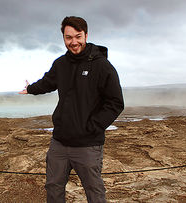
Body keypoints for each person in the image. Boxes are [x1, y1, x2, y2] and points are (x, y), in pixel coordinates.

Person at [19, 16, 124, 203]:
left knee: (94, 191)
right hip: (59, 142)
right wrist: (31, 89)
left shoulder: (102, 66)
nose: (74, 42)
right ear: (63, 38)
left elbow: (115, 103)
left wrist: (92, 126)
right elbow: (48, 82)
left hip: (88, 144)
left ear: (86, 35)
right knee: (53, 187)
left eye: (78, 36)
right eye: (69, 38)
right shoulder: (61, 64)